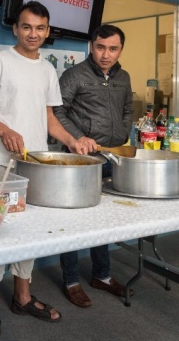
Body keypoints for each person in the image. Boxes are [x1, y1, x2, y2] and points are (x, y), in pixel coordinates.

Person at [0, 0, 94, 337]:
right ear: (16, 28)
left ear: (48, 31)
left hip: (34, 164)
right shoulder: (0, 61)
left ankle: (23, 296)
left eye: (40, 28)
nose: (33, 33)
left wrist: (72, 141)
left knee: (29, 231)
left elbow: (49, 118)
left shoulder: (48, 69)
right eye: (26, 26)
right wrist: (3, 129)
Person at [53, 24, 134, 307]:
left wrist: (124, 131)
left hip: (111, 159)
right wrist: (77, 137)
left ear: (120, 49)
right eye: (100, 47)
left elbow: (127, 109)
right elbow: (56, 110)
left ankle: (102, 275)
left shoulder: (123, 77)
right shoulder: (74, 75)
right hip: (80, 161)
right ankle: (71, 281)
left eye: (113, 48)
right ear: (91, 45)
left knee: (103, 221)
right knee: (74, 224)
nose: (106, 54)